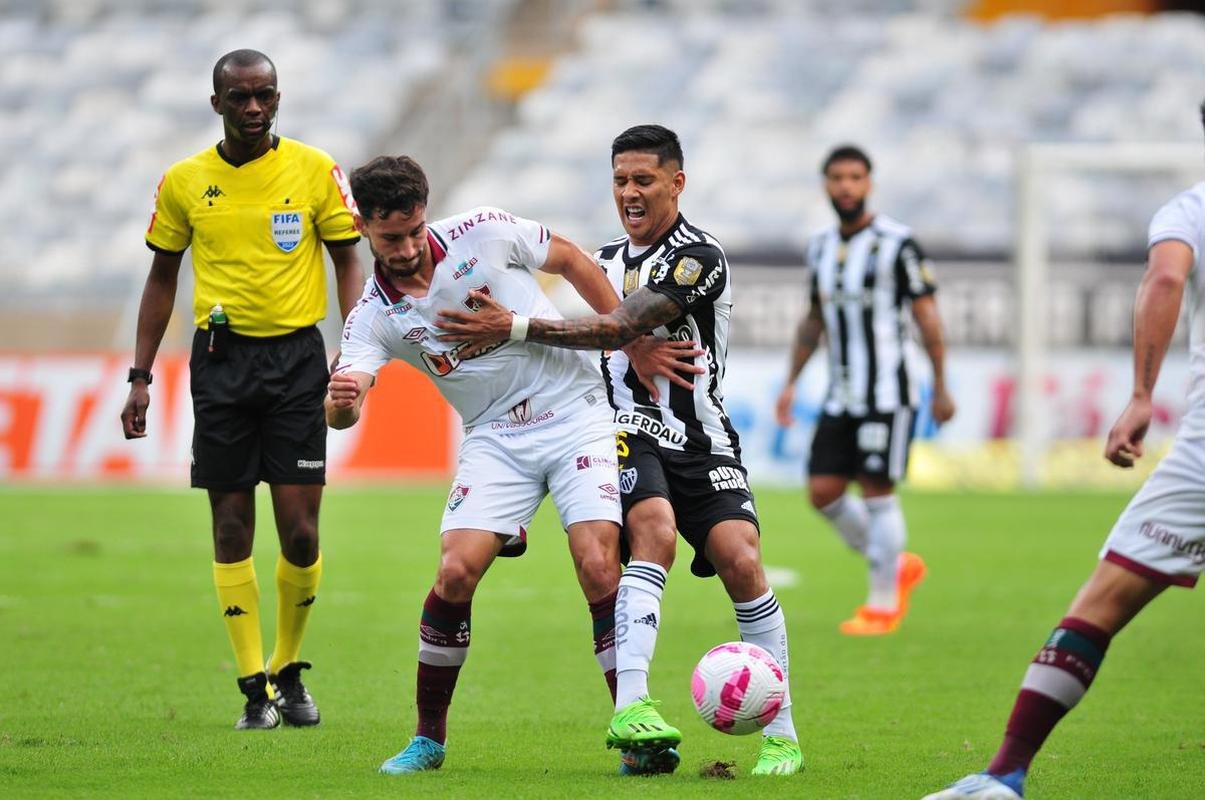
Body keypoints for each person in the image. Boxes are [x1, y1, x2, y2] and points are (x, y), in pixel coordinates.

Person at [434, 124, 803, 776]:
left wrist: (514, 325)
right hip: (620, 429)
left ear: (676, 183)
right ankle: (632, 704)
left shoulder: (698, 257)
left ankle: (783, 734)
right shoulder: (598, 262)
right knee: (653, 531)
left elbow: (618, 326)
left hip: (701, 434)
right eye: (620, 181)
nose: (629, 193)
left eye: (643, 180)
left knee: (742, 561)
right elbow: (572, 331)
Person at [326, 154, 691, 775]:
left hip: (576, 411)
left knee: (597, 561)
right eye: (391, 238)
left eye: (414, 230)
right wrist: (341, 404)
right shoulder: (372, 316)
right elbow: (345, 405)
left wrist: (628, 339)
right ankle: (428, 740)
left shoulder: (483, 230)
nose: (408, 249)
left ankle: (634, 726)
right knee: (454, 573)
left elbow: (572, 259)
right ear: (363, 227)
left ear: (425, 211)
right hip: (495, 437)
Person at [923, 121, 1205, 800]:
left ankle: (1004, 773)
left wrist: (1141, 394)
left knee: (1102, 603)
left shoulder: (1191, 210)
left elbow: (1166, 274)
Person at [120, 49, 364, 730]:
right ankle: (253, 686)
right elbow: (162, 277)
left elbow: (349, 261)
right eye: (239, 97)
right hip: (220, 362)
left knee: (301, 532)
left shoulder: (315, 170)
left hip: (297, 362)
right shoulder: (184, 180)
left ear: (278, 98)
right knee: (230, 524)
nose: (254, 108)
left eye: (265, 95)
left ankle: (289, 668)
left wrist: (354, 347)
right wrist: (140, 377)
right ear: (216, 104)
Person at [773, 144, 955, 636]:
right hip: (841, 393)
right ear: (826, 185)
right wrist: (791, 382)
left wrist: (941, 384)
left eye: (855, 177)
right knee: (823, 493)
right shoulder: (820, 247)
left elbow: (927, 317)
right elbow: (814, 320)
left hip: (889, 394)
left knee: (877, 491)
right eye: (837, 177)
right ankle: (897, 566)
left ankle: (881, 604)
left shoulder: (898, 243)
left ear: (869, 183)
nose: (846, 186)